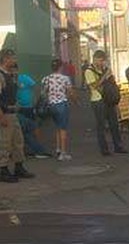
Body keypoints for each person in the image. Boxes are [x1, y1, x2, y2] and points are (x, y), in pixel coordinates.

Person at [0, 50, 35, 181]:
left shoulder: (10, 75)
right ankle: (2, 170)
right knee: (4, 143)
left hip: (13, 113)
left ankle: (18, 167)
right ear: (5, 59)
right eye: (12, 58)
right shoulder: (1, 76)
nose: (15, 61)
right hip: (5, 114)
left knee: (18, 141)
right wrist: (1, 116)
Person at [84, 50, 127, 156]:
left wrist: (111, 78)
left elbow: (112, 82)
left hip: (109, 100)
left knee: (114, 124)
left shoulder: (106, 69)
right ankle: (104, 149)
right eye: (100, 60)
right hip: (98, 101)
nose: (102, 63)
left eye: (103, 61)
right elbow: (94, 86)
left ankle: (118, 146)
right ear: (95, 59)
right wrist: (104, 76)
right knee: (101, 126)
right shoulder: (89, 71)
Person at [42, 59, 75, 161]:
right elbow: (70, 92)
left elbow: (43, 93)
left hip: (51, 105)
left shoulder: (46, 79)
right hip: (62, 105)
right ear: (60, 67)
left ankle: (58, 149)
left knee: (57, 127)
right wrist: (75, 101)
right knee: (63, 129)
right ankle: (63, 153)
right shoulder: (65, 79)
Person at [15, 64, 50, 159]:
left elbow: (35, 87)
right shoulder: (10, 80)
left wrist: (35, 101)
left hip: (28, 107)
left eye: (15, 70)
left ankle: (36, 147)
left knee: (32, 127)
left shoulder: (24, 78)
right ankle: (31, 149)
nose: (14, 72)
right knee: (22, 130)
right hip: (18, 109)